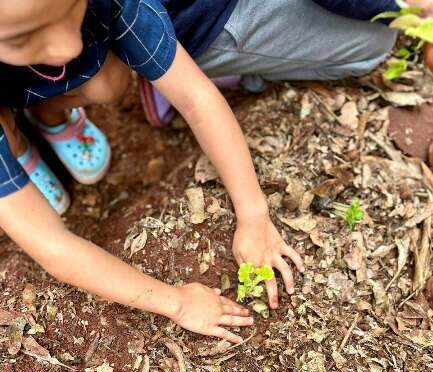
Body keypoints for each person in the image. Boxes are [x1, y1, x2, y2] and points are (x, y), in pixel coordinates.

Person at [0, 0, 305, 346]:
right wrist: (177, 302)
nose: (66, 44)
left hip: (46, 79)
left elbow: (195, 96)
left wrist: (253, 212)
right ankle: (17, 149)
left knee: (110, 82)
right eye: (22, 38)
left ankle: (50, 118)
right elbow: (52, 245)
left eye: (71, 6)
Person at [141, 0, 401, 125]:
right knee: (379, 41)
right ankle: (169, 65)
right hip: (200, 21)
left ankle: (154, 55)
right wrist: (408, 9)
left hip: (158, 18)